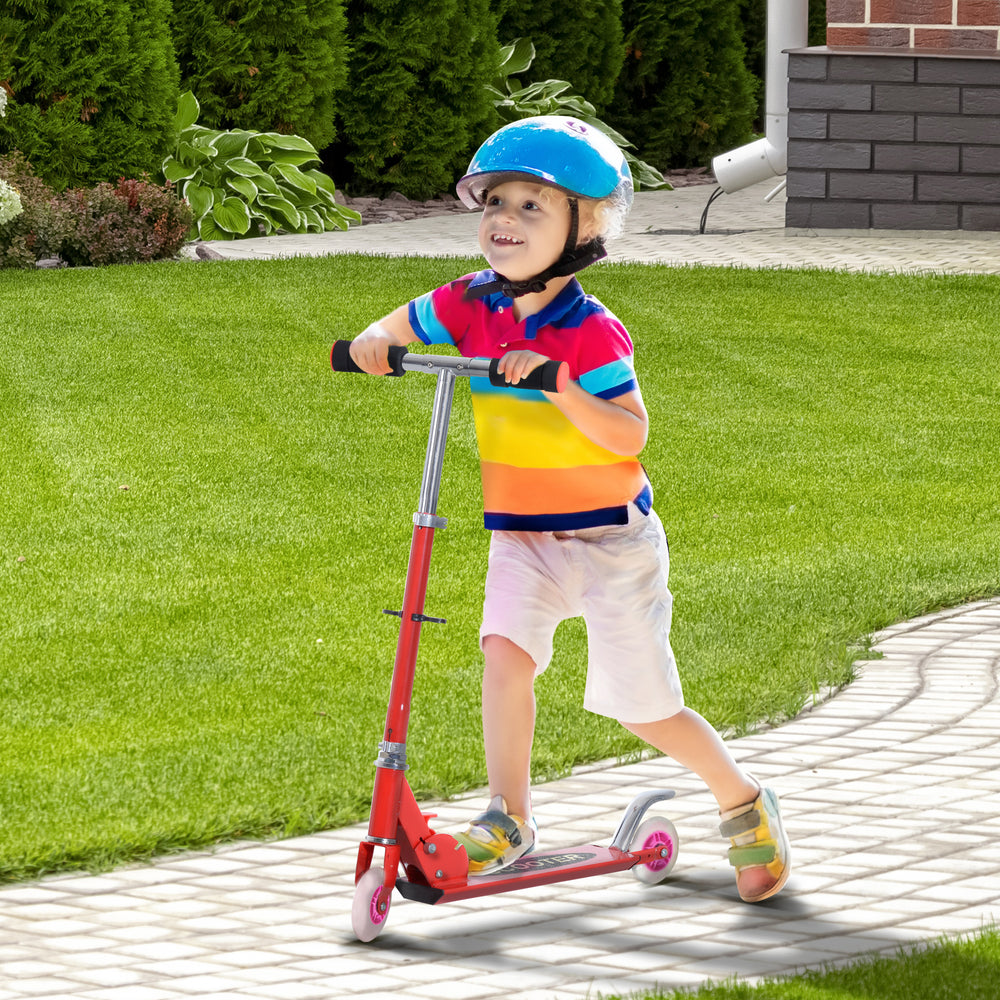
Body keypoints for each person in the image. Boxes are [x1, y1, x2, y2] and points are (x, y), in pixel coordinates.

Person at [347, 116, 790, 903]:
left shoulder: (590, 330)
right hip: (522, 536)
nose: (503, 220)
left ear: (584, 229)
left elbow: (630, 433)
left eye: (530, 207)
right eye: (496, 203)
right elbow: (397, 324)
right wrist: (373, 343)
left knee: (644, 708)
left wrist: (559, 383)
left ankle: (742, 800)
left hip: (610, 541)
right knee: (503, 657)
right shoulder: (469, 303)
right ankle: (508, 817)